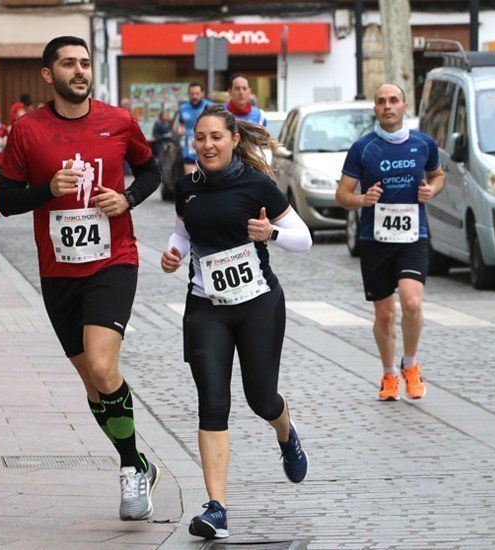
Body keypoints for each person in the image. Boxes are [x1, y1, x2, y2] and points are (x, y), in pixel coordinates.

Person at [0, 36, 163, 521]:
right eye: (68, 64)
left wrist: (127, 200)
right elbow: (7, 201)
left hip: (114, 260)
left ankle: (132, 469)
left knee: (103, 365)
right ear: (48, 74)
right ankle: (137, 462)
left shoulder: (118, 121)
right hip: (58, 270)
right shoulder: (27, 131)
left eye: (85, 63)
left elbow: (151, 172)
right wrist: (46, 190)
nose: (79, 71)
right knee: (93, 381)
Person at [160, 104, 311, 540]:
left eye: (216, 138)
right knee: (212, 400)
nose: (207, 145)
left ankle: (286, 432)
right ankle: (217, 508)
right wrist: (173, 252)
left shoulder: (257, 185)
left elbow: (304, 239)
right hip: (206, 305)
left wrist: (272, 234)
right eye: (200, 138)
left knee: (261, 399)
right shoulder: (186, 187)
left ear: (234, 140)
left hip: (258, 303)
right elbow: (183, 234)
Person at [334, 83, 445, 401]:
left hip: (413, 236)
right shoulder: (363, 148)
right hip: (375, 238)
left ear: (405, 106)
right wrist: (363, 199)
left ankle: (410, 363)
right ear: (375, 109)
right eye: (381, 101)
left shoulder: (423, 144)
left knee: (411, 302)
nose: (387, 106)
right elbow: (342, 195)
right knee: (384, 313)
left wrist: (431, 191)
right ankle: (388, 374)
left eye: (393, 100)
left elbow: (438, 176)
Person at [175, 82, 213, 175]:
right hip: (190, 148)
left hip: (207, 147)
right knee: (190, 179)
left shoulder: (210, 106)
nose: (194, 96)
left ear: (202, 94)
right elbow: (178, 124)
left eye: (197, 93)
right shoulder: (183, 108)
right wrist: (179, 129)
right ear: (188, 94)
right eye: (192, 94)